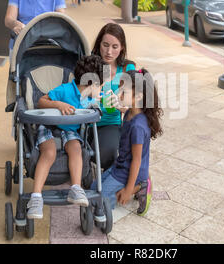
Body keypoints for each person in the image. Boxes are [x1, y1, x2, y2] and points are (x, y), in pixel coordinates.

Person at [26, 55, 107, 219]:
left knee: (76, 148)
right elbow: (42, 101)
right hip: (48, 126)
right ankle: (35, 197)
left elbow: (98, 110)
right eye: (101, 85)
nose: (102, 89)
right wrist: (58, 104)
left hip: (69, 130)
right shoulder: (65, 90)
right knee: (49, 153)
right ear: (91, 84)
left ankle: (75, 188)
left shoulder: (90, 99)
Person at [90, 68, 163, 215]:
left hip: (129, 170)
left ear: (138, 97)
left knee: (101, 199)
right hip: (120, 165)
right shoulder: (130, 112)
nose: (119, 94)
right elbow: (123, 109)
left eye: (124, 92)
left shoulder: (138, 127)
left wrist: (128, 190)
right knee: (92, 188)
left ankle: (140, 185)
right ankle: (136, 185)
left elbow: (136, 160)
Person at [89, 23, 136, 170]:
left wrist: (120, 106)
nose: (109, 52)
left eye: (115, 47)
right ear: (99, 44)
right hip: (83, 122)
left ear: (122, 47)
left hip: (109, 124)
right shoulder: (90, 64)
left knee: (107, 154)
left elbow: (134, 108)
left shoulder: (128, 69)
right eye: (105, 45)